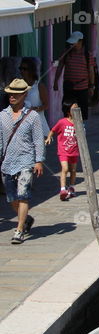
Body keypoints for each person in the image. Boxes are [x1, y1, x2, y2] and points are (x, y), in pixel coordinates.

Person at [1, 78, 46, 244]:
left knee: (23, 196)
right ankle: (26, 219)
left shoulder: (32, 116)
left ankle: (19, 230)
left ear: (24, 95)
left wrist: (39, 160)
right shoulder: (2, 116)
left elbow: (38, 140)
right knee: (12, 199)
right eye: (10, 94)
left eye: (16, 94)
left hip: (26, 161)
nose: (12, 97)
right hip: (7, 162)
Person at [54, 32, 95, 120]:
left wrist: (91, 86)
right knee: (67, 109)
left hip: (82, 88)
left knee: (82, 111)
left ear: (80, 42)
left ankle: (81, 130)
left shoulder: (87, 55)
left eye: (75, 42)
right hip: (69, 87)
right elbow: (60, 67)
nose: (72, 45)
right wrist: (55, 81)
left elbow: (91, 71)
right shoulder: (66, 53)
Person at [46, 105, 78, 201]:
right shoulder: (62, 122)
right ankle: (63, 189)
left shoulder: (78, 123)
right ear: (68, 112)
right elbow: (53, 130)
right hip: (63, 150)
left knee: (73, 170)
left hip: (74, 150)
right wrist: (49, 137)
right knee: (65, 168)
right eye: (74, 109)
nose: (76, 110)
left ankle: (71, 187)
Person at [19, 59, 49, 128]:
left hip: (38, 122)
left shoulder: (39, 86)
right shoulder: (19, 85)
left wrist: (35, 109)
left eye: (24, 69)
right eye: (20, 68)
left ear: (31, 70)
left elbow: (46, 105)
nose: (22, 71)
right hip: (23, 122)